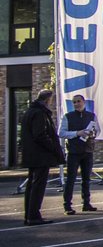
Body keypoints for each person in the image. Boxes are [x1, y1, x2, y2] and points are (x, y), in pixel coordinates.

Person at [19, 90, 64, 226]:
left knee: (32, 185)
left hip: (32, 155)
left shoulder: (30, 112)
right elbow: (40, 135)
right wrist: (53, 148)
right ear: (47, 100)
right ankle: (33, 215)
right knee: (38, 186)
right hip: (40, 155)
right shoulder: (39, 113)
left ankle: (30, 214)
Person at [59, 94, 100, 215]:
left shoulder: (91, 116)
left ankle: (86, 203)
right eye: (74, 102)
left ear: (84, 102)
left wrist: (93, 133)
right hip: (73, 151)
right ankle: (67, 205)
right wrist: (77, 133)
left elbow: (97, 130)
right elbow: (61, 133)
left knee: (86, 178)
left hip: (87, 150)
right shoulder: (68, 117)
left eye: (78, 101)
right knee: (71, 179)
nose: (76, 104)